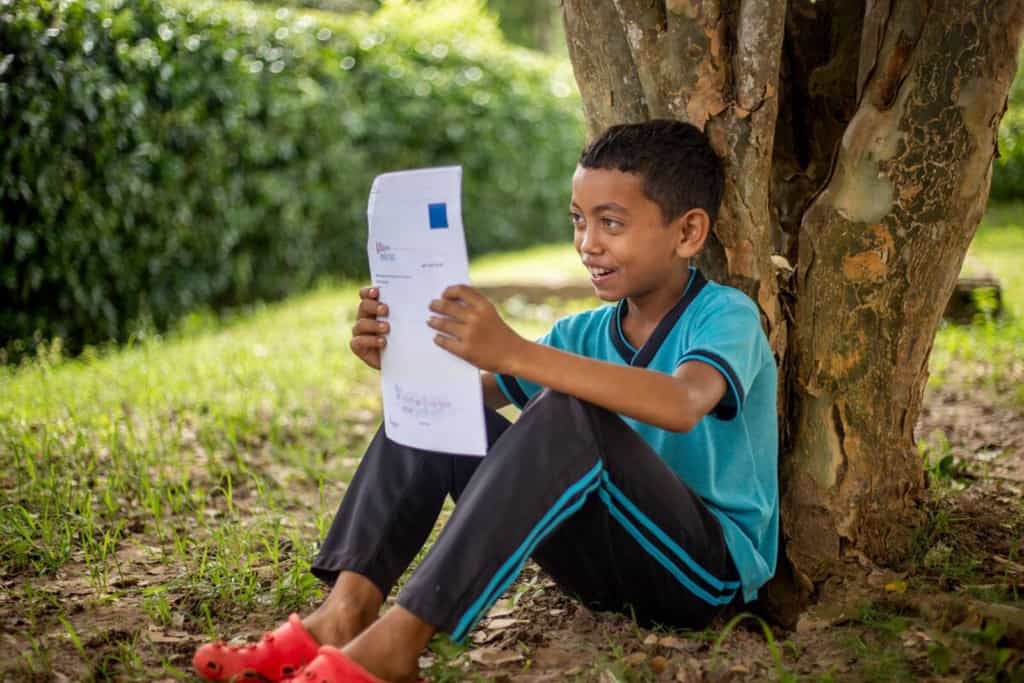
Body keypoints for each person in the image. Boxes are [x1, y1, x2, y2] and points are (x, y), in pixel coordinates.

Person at [193, 119, 779, 683]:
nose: (587, 243)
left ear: (688, 232)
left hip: (700, 574)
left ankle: (399, 642)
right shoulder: (580, 335)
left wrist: (516, 352)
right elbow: (452, 411)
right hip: (599, 570)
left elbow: (682, 402)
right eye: (578, 220)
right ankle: (343, 614)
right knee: (441, 412)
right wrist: (403, 362)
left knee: (566, 407)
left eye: (612, 223)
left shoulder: (724, 315)